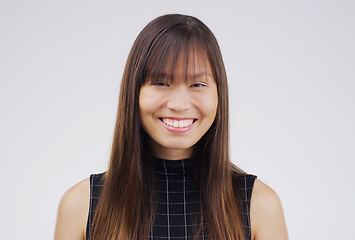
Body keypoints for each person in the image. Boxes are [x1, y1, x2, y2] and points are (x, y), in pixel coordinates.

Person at [54, 14, 288, 240]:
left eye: (197, 83)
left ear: (219, 93)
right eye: (160, 82)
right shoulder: (81, 205)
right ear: (134, 92)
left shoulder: (259, 205)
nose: (179, 104)